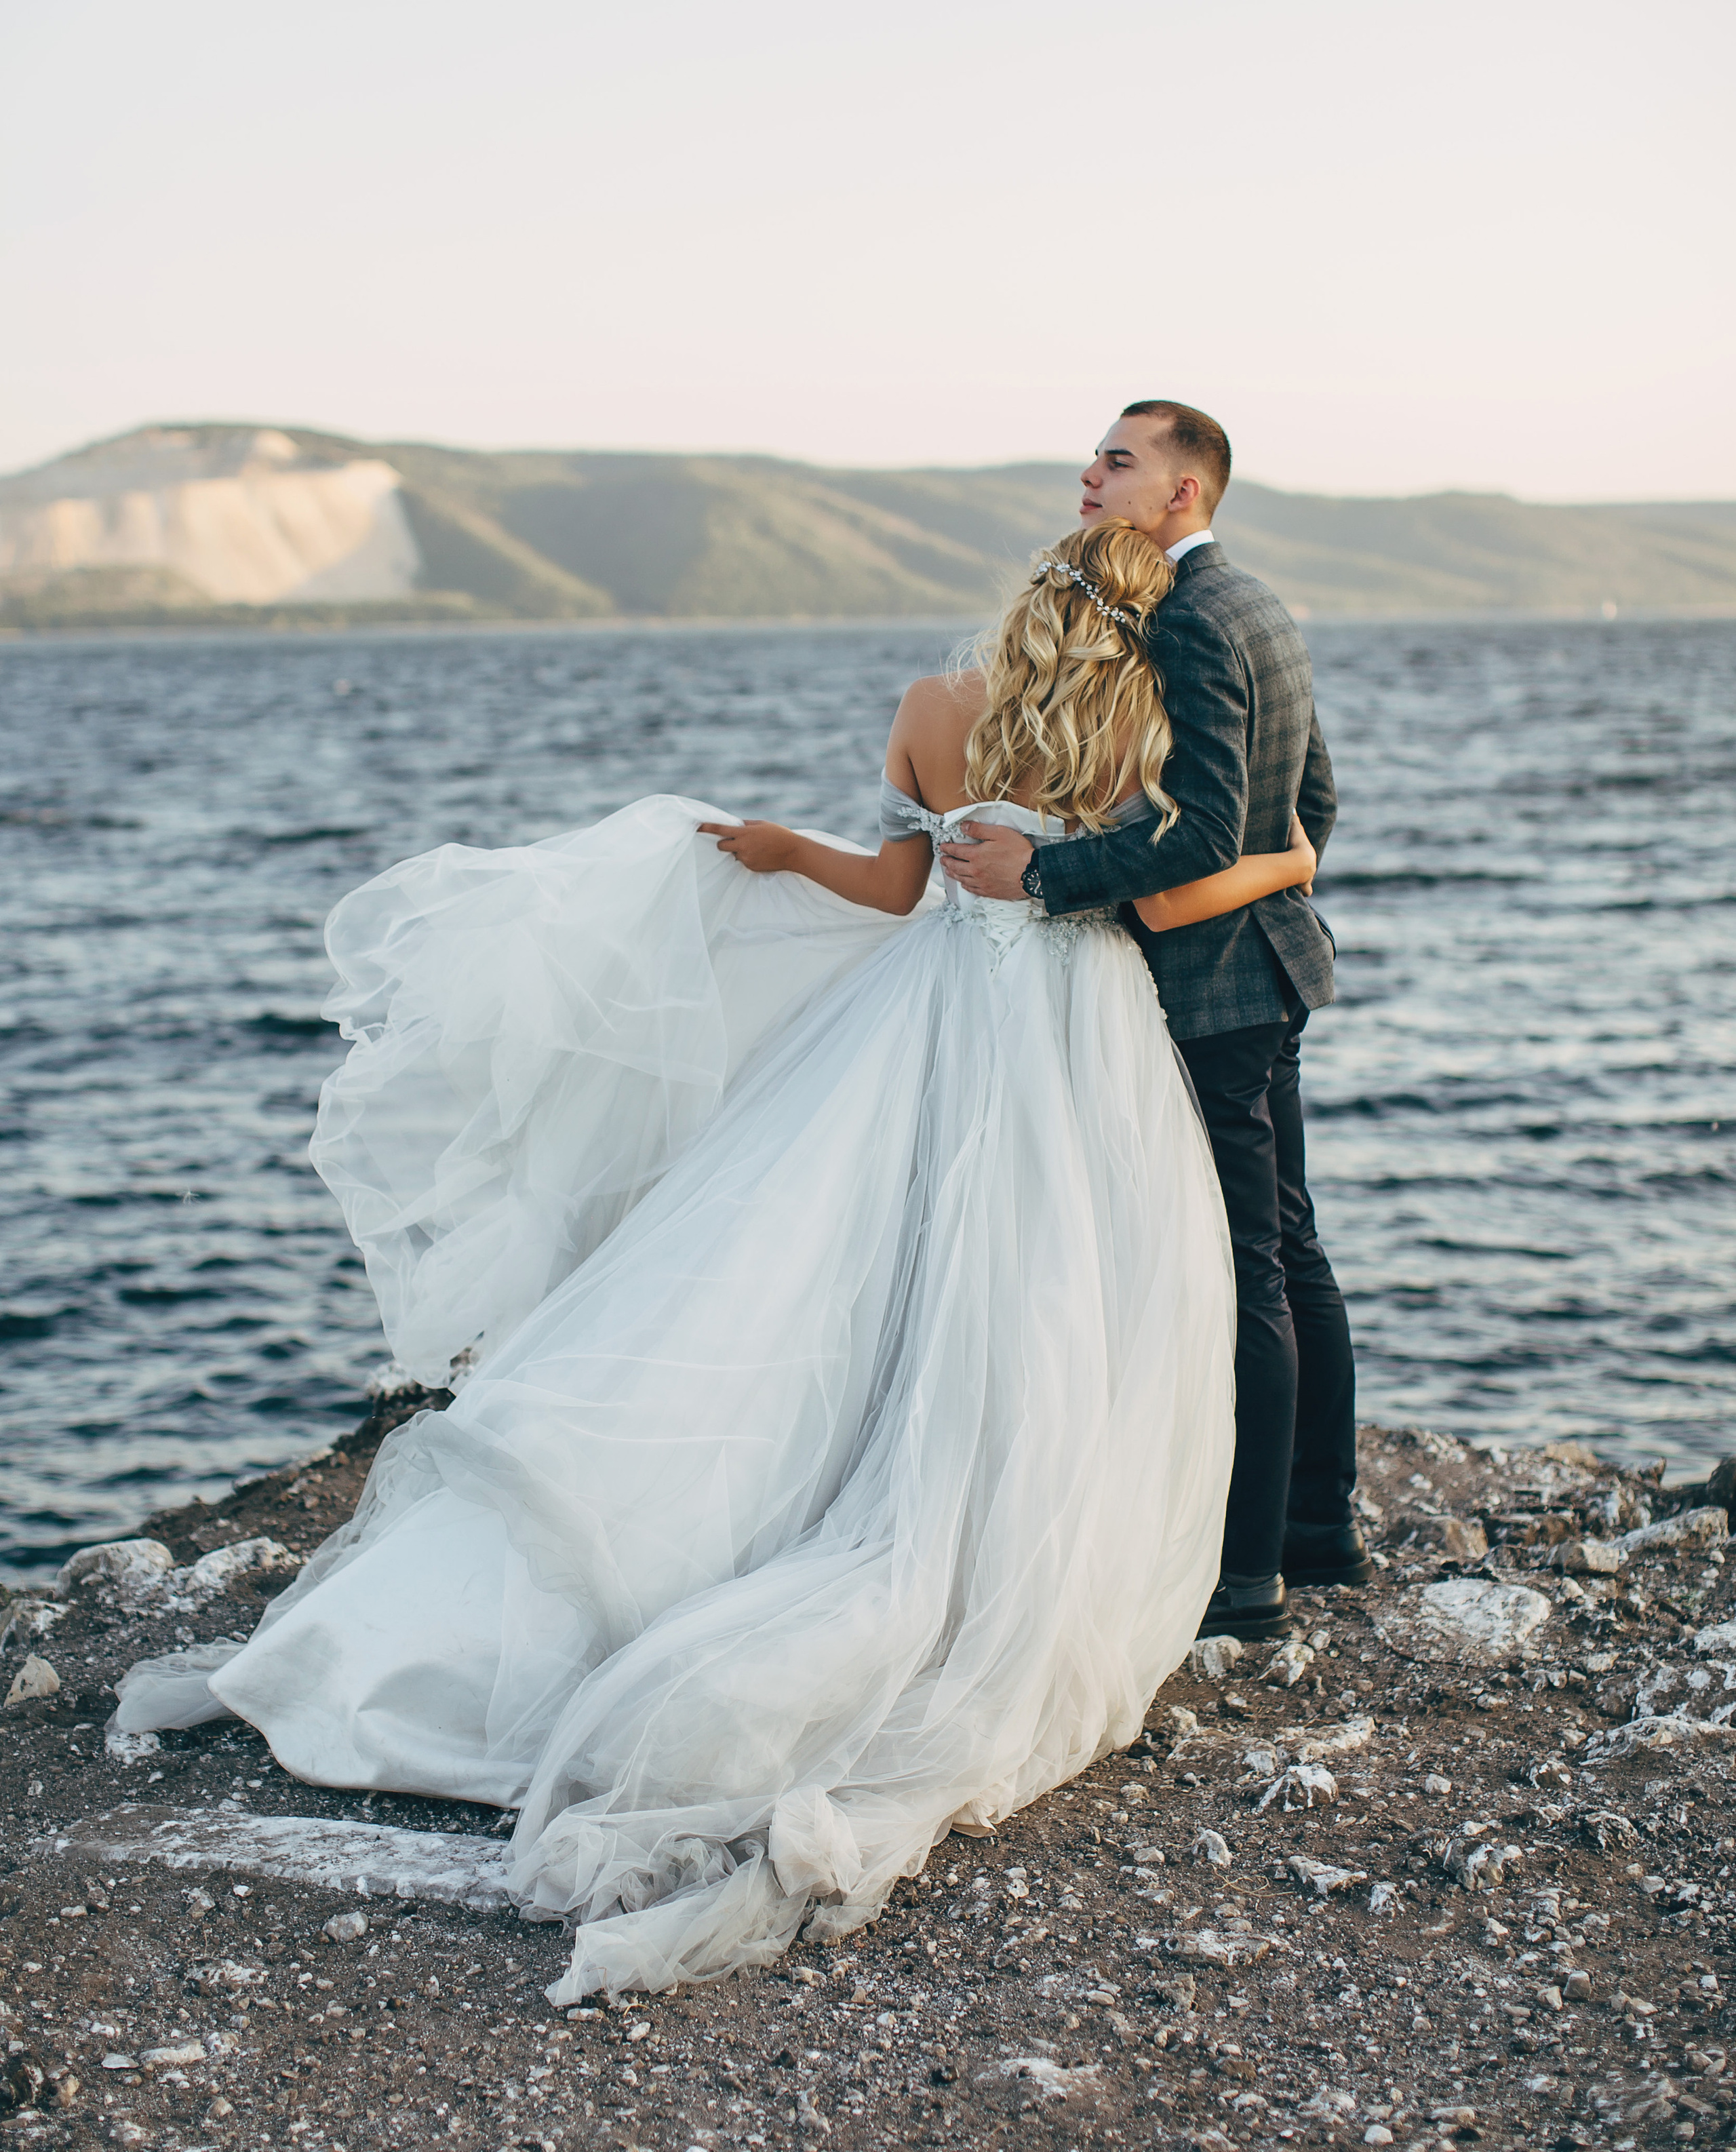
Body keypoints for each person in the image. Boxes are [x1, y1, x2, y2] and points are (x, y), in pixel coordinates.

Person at [115, 522, 1315, 1997]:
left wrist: (770, 848)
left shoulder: (931, 715)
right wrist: (1275, 851)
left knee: (855, 1258)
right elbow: (1140, 886)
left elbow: (891, 898)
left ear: (1012, 609)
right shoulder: (1134, 728)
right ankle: (1018, 1519)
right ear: (1130, 628)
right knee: (1056, 1284)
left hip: (928, 1015)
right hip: (1078, 1036)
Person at [939, 403, 1361, 1645]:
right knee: (1291, 1247)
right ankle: (1318, 1525)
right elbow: (1312, 805)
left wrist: (1040, 875)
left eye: (1118, 460)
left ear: (1183, 492)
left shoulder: (1180, 617)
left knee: (1241, 1271)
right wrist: (1290, 874)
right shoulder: (1262, 604)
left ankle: (1245, 1580)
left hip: (1212, 986)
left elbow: (1202, 830)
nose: (1090, 472)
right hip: (1275, 967)